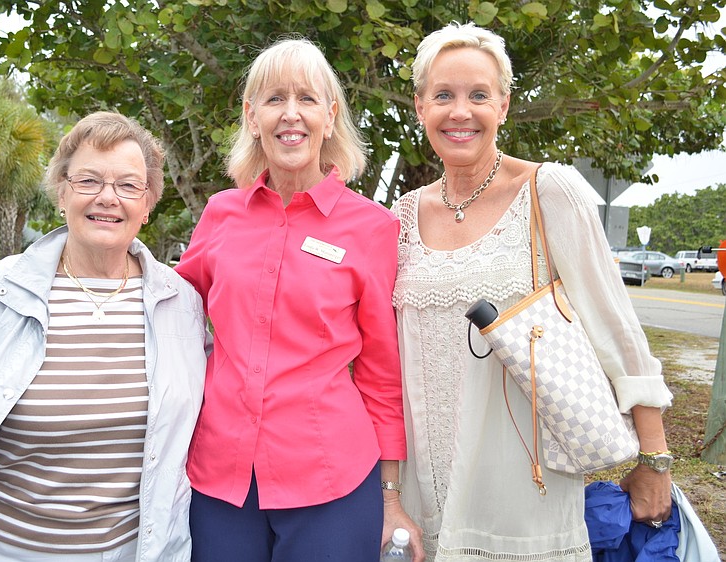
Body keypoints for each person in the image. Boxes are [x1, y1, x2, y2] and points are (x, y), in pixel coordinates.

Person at [391, 23, 674, 562]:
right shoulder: (401, 216)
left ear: (503, 105)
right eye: (443, 95)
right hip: (420, 483)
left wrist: (655, 461)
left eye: (479, 95)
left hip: (525, 481)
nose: (460, 112)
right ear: (420, 106)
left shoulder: (549, 192)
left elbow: (619, 333)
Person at [0, 111, 209, 562]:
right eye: (89, 181)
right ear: (62, 192)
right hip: (2, 551)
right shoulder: (2, 290)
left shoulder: (181, 303)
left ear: (148, 203)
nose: (108, 197)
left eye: (128, 185)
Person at [175, 37, 423, 562]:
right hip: (219, 478)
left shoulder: (372, 228)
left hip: (330, 480)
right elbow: (172, 312)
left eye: (307, 99)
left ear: (329, 117)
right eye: (274, 99)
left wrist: (391, 497)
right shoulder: (220, 214)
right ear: (252, 116)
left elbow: (381, 372)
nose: (291, 114)